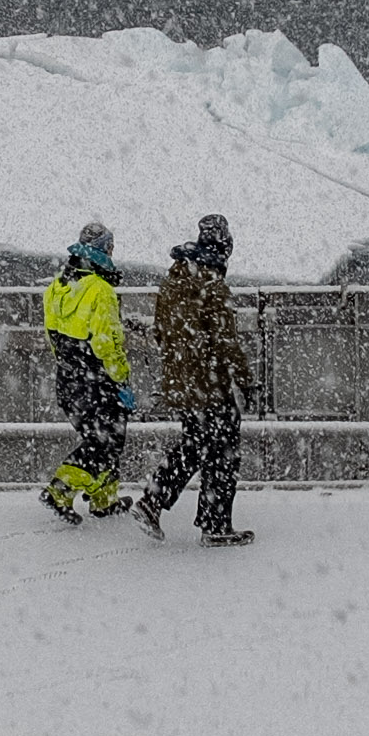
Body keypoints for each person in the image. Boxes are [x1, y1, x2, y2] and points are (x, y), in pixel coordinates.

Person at [135, 210, 254, 546]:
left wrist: (181, 366)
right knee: (222, 451)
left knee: (198, 444)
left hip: (182, 383)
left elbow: (161, 332)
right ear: (225, 247)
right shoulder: (213, 286)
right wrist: (245, 380)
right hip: (210, 384)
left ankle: (155, 502)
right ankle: (211, 524)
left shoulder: (172, 282)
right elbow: (226, 342)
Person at [40, 219, 135, 522]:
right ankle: (60, 489)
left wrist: (68, 366)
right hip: (98, 379)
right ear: (104, 249)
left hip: (69, 377)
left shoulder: (57, 286)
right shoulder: (101, 290)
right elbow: (106, 342)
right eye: (111, 247)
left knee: (98, 437)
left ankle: (104, 498)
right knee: (106, 441)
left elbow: (52, 335)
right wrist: (121, 378)